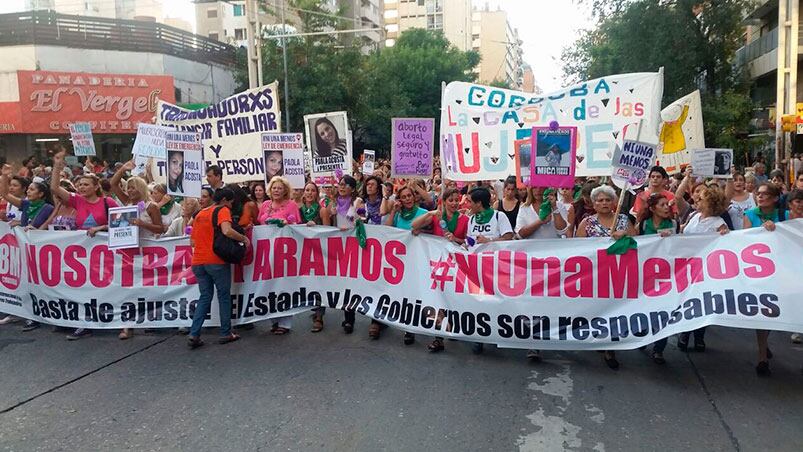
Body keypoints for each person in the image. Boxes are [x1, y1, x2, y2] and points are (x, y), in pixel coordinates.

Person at [50, 151, 120, 340]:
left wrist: (101, 227)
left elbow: (123, 223)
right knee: (83, 288)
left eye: (86, 184)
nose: (81, 187)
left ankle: (116, 319)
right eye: (79, 184)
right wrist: (57, 165)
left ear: (96, 186)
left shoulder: (108, 202)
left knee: (106, 287)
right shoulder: (77, 200)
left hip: (105, 253)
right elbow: (55, 188)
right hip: (82, 254)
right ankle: (85, 323)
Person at [576, 185, 636, 369]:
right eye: (600, 200)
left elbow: (638, 243)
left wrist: (624, 236)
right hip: (594, 275)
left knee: (614, 309)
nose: (604, 203)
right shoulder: (587, 222)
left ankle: (610, 348)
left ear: (614, 202)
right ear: (593, 204)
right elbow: (577, 248)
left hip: (619, 273)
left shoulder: (624, 220)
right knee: (597, 308)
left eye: (607, 200)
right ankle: (597, 338)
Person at [187, 187, 250, 349]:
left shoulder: (200, 214)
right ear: (224, 201)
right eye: (230, 202)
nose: (230, 205)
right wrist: (243, 238)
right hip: (215, 261)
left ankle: (194, 333)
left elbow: (192, 242)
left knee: (205, 297)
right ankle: (225, 332)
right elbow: (227, 231)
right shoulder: (222, 210)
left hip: (198, 261)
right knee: (223, 296)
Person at [464, 186, 514, 355]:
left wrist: (489, 240)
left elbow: (509, 237)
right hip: (476, 267)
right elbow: (470, 240)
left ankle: (497, 333)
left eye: (470, 201)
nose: (467, 204)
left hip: (496, 267)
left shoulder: (499, 216)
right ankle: (479, 337)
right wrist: (464, 244)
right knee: (478, 302)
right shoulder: (471, 219)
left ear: (479, 203)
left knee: (496, 301)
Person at [637, 192, 679, 364]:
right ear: (653, 209)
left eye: (667, 204)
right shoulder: (643, 224)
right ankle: (644, 334)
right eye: (662, 205)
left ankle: (659, 348)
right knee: (646, 308)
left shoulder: (675, 224)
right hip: (646, 273)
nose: (666, 207)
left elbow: (681, 246)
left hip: (666, 274)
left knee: (663, 311)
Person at [385, 185, 430, 344]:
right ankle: (409, 328)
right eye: (403, 197)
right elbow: (387, 231)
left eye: (409, 195)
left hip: (420, 261)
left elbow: (433, 234)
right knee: (407, 295)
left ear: (414, 196)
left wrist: (422, 232)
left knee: (420, 294)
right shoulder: (398, 215)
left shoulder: (424, 214)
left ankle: (423, 323)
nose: (407, 199)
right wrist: (393, 211)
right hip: (402, 262)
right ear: (400, 200)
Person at [258, 176, 301, 335]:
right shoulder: (265, 205)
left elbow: (296, 226)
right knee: (269, 286)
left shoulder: (291, 205)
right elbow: (259, 225)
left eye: (280, 188)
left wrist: (287, 224)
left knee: (284, 286)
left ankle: (285, 322)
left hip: (284, 252)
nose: (276, 190)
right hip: (267, 252)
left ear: (285, 191)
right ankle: (273, 320)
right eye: (274, 188)